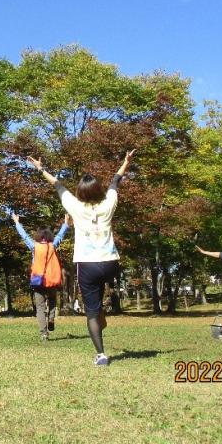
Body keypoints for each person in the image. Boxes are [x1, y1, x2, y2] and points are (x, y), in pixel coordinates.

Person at [27, 150, 135, 366]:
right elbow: (116, 181)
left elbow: (57, 185)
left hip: (87, 265)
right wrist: (126, 162)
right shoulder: (108, 205)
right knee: (100, 295)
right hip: (110, 263)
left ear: (80, 192)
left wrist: (41, 169)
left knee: (92, 312)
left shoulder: (75, 207)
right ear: (98, 190)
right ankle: (101, 310)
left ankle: (101, 355)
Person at [12, 213, 70, 340]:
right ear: (49, 235)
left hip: (38, 281)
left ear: (38, 235)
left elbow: (24, 236)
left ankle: (44, 333)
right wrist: (65, 223)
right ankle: (51, 318)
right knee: (53, 300)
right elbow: (60, 235)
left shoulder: (34, 246)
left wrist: (17, 222)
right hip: (52, 280)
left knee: (40, 307)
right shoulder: (52, 245)